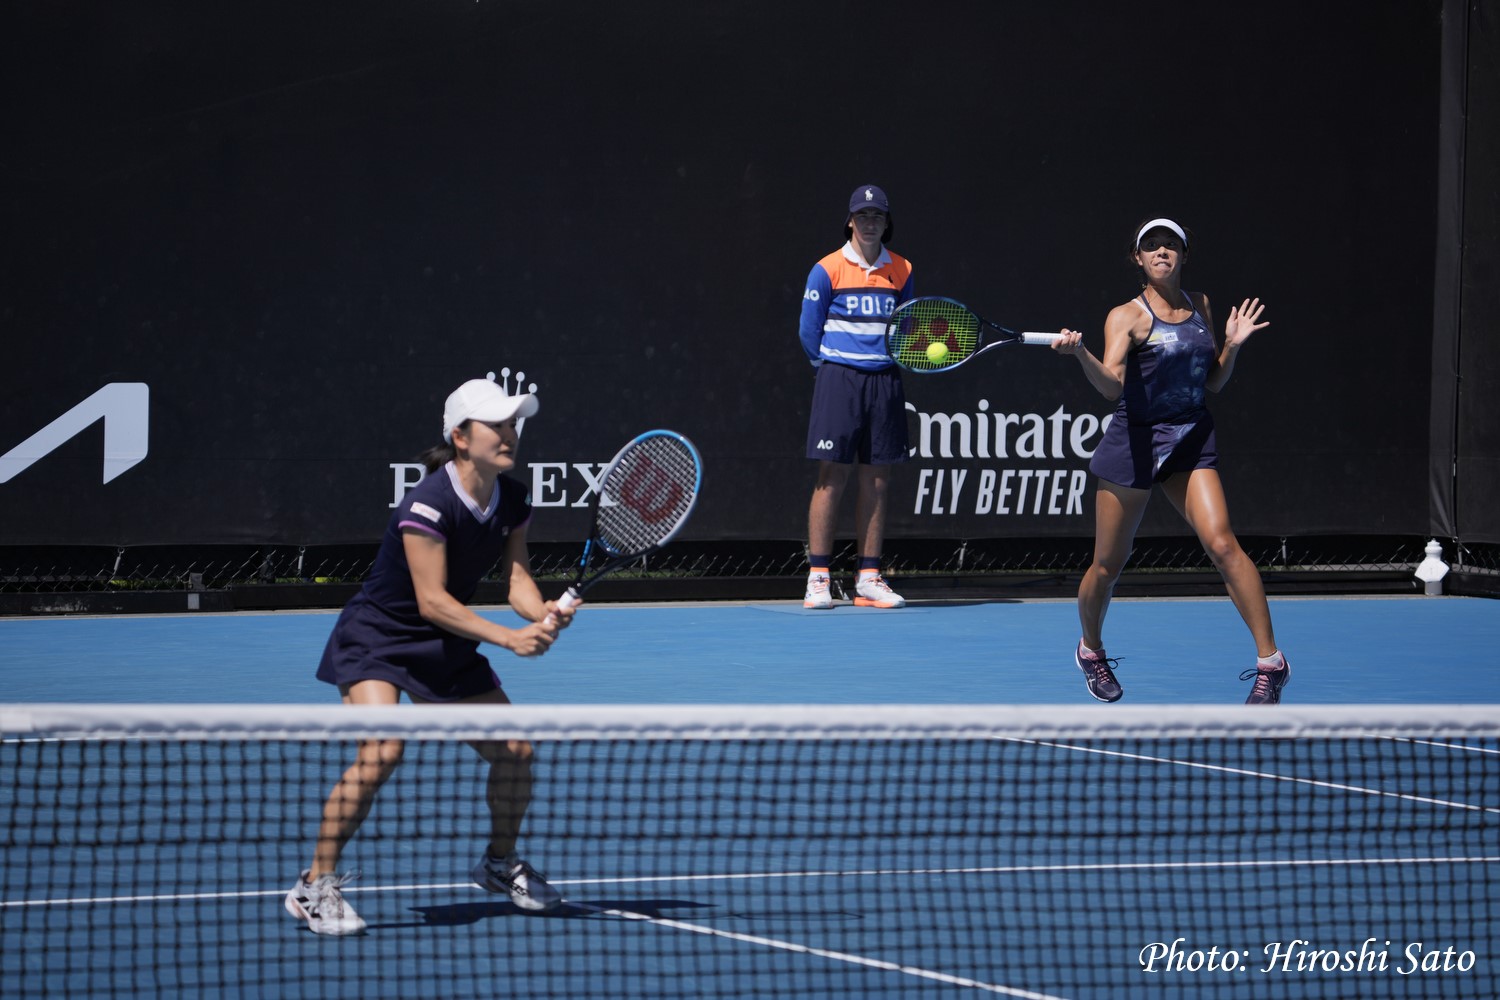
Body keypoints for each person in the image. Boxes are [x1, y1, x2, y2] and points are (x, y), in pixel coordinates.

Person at [284, 377, 577, 935]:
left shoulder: (512, 499)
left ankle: (498, 863)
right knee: (382, 752)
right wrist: (508, 639)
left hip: (441, 645)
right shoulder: (428, 503)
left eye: (514, 423)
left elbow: (517, 581)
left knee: (516, 750)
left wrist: (540, 613)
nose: (510, 433)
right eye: (497, 424)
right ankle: (313, 886)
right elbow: (434, 601)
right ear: (461, 437)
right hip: (378, 636)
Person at [1052, 218, 1290, 705]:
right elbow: (1112, 387)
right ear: (1138, 259)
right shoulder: (1126, 316)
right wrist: (1080, 355)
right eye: (1151, 247)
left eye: (1171, 245)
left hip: (1189, 438)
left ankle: (1272, 663)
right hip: (1135, 442)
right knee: (1107, 566)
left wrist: (1234, 346)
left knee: (1223, 544)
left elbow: (1215, 382)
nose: (1162, 252)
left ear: (1183, 255)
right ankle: (1090, 650)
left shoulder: (1201, 306)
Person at [798, 184, 914, 610]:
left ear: (886, 224)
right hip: (839, 380)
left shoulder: (901, 269)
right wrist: (831, 368)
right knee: (831, 476)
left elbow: (906, 327)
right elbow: (809, 332)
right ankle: (818, 577)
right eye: (862, 216)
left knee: (878, 479)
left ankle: (868, 576)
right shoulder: (826, 269)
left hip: (884, 381)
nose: (869, 223)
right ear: (850, 221)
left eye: (877, 217)